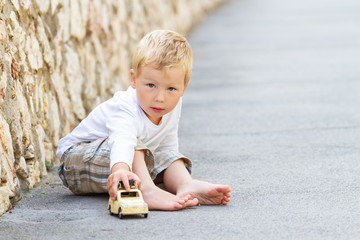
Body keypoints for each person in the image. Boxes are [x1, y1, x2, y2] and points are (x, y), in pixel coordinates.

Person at [56, 29, 231, 210]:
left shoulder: (172, 104)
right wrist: (121, 169)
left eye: (171, 89)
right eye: (150, 85)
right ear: (134, 79)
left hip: (128, 159)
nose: (160, 98)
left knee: (167, 156)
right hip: (76, 162)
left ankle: (185, 185)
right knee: (132, 144)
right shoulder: (126, 108)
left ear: (183, 89)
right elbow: (122, 140)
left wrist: (174, 170)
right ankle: (146, 190)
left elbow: (167, 146)